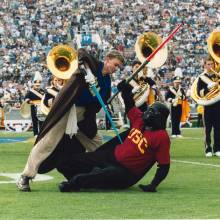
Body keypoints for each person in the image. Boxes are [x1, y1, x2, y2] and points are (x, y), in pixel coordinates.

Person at [16, 48, 125, 192]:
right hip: (69, 108)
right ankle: (26, 175)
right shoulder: (92, 65)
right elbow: (81, 52)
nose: (115, 69)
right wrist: (88, 72)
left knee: (96, 143)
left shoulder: (106, 81)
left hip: (85, 115)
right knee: (49, 141)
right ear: (108, 59)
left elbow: (100, 101)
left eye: (118, 67)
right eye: (115, 64)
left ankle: (107, 173)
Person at [57, 81, 170, 193]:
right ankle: (82, 178)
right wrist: (126, 91)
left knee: (102, 174)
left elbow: (164, 165)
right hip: (111, 156)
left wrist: (153, 185)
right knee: (66, 162)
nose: (147, 113)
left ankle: (73, 184)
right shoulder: (140, 120)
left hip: (126, 172)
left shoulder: (161, 137)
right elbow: (130, 106)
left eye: (151, 112)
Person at [197, 56, 220, 157]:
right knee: (208, 129)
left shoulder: (218, 76)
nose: (210, 66)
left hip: (218, 105)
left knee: (218, 129)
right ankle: (208, 149)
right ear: (205, 65)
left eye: (212, 64)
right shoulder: (201, 78)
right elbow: (199, 93)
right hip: (208, 106)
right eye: (208, 64)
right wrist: (207, 88)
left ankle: (217, 148)